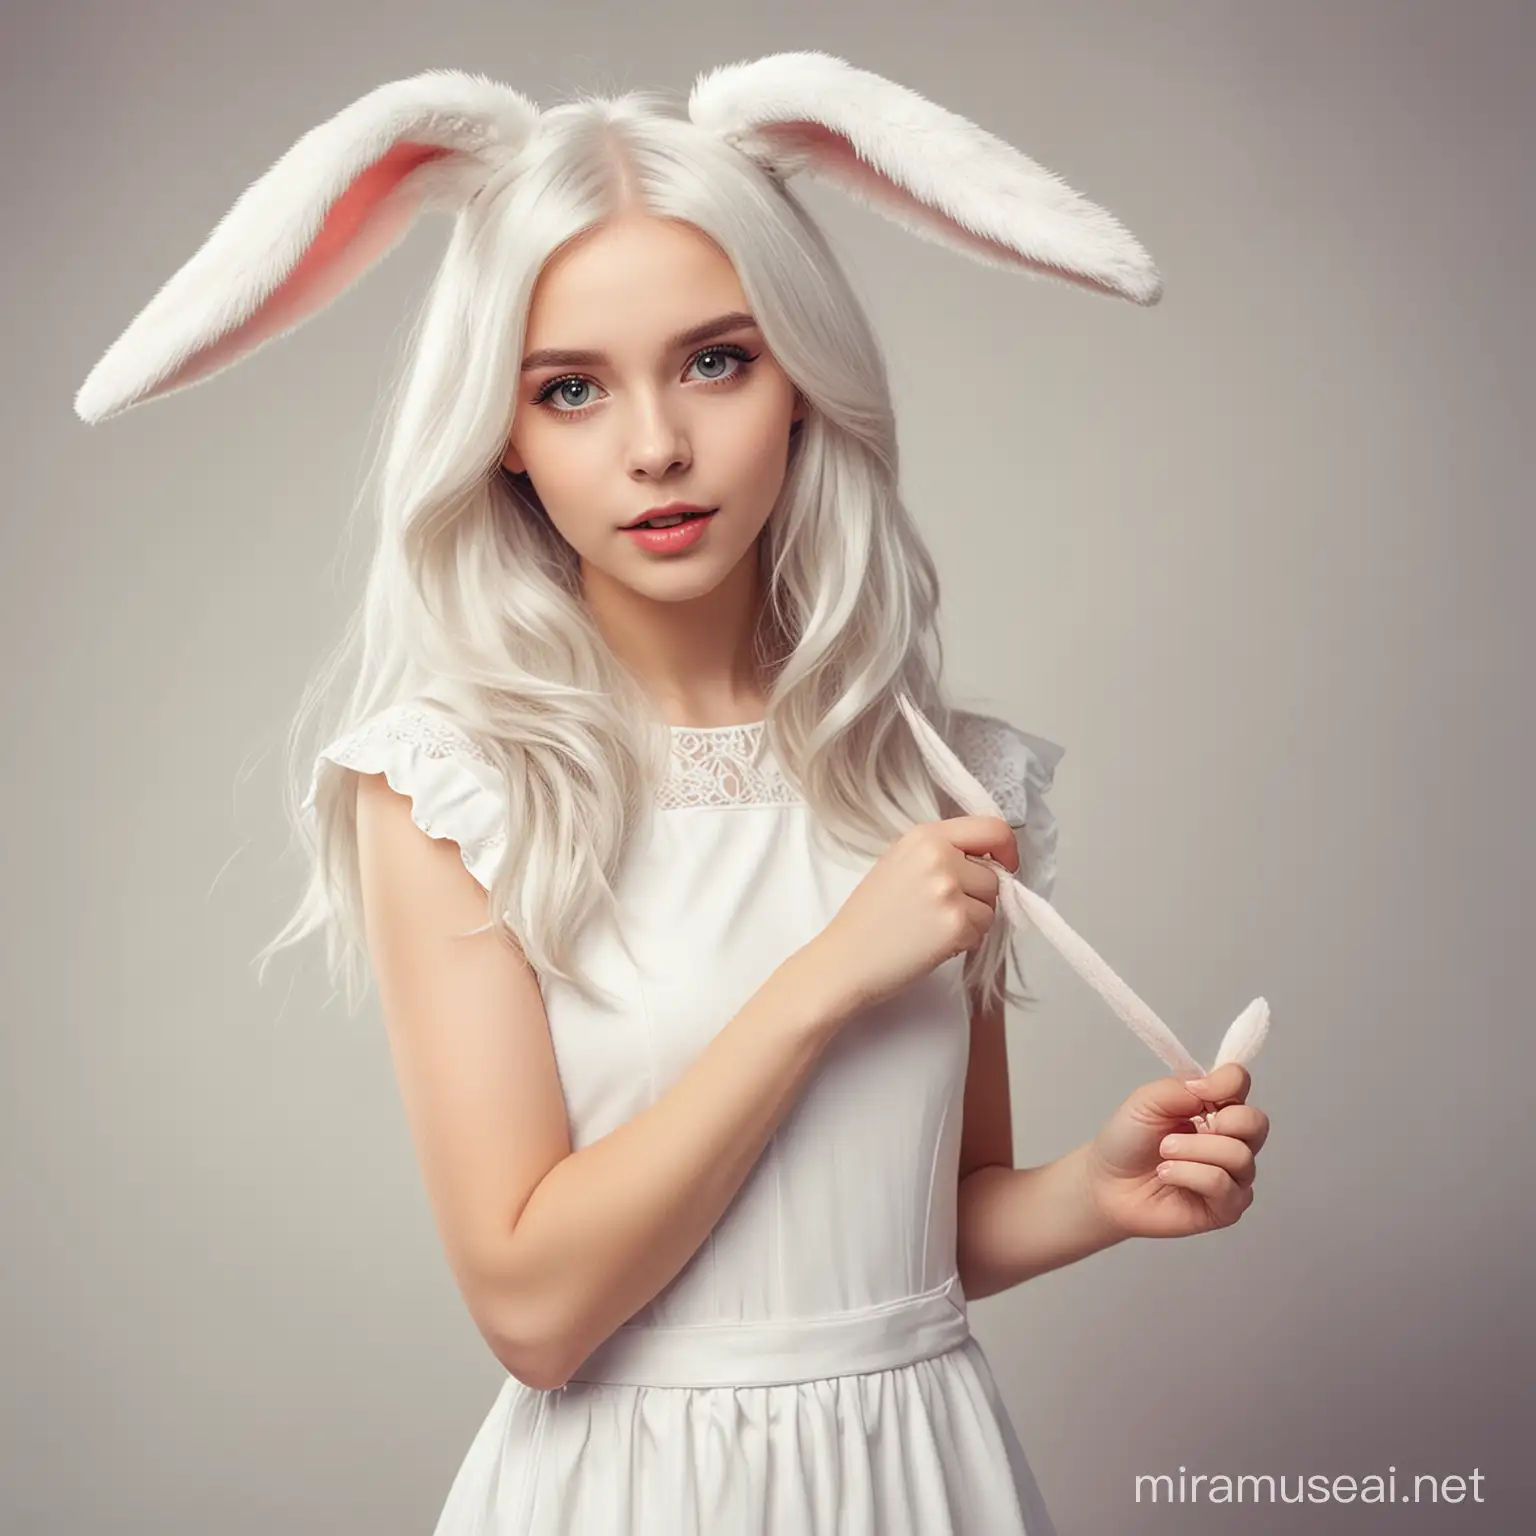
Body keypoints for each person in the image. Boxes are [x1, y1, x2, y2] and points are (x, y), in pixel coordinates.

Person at [75, 52, 1270, 1535]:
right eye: (571, 389)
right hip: (632, 1491)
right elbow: (535, 1309)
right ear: (503, 437)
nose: (655, 444)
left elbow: (902, 1234)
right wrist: (825, 976)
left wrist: (1095, 1191)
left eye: (716, 359)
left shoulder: (931, 771)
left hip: (922, 1475)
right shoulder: (452, 792)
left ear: (801, 383)